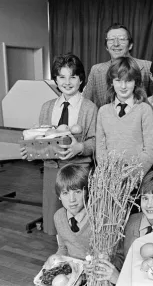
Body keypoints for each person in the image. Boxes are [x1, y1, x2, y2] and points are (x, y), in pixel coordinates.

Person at [21, 53, 97, 235]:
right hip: (52, 170)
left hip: (78, 170)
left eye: (73, 76)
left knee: (80, 216)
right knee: (55, 215)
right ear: (55, 79)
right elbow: (42, 138)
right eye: (61, 76)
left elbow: (97, 141)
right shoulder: (47, 107)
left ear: (81, 80)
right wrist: (31, 151)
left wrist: (80, 147)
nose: (67, 81)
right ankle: (61, 251)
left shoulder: (89, 108)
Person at [86, 169, 153, 285]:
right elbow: (121, 256)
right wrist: (103, 266)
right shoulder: (131, 221)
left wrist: (118, 279)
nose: (149, 204)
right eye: (145, 198)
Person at [96, 56, 153, 175]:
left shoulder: (144, 110)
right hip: (110, 178)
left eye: (128, 81)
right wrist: (109, 174)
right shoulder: (103, 111)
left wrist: (133, 174)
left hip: (136, 178)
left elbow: (152, 148)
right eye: (118, 80)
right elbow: (100, 149)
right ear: (111, 82)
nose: (123, 86)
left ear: (136, 82)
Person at [83, 23, 152, 108]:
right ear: (106, 47)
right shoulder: (96, 70)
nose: (116, 44)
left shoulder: (147, 67)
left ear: (130, 45)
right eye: (111, 39)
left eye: (122, 39)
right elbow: (86, 103)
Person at [53, 164, 91, 259]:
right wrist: (56, 258)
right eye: (65, 193)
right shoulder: (59, 216)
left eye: (77, 192)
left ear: (86, 193)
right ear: (59, 196)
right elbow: (63, 248)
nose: (72, 199)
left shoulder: (97, 218)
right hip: (72, 267)